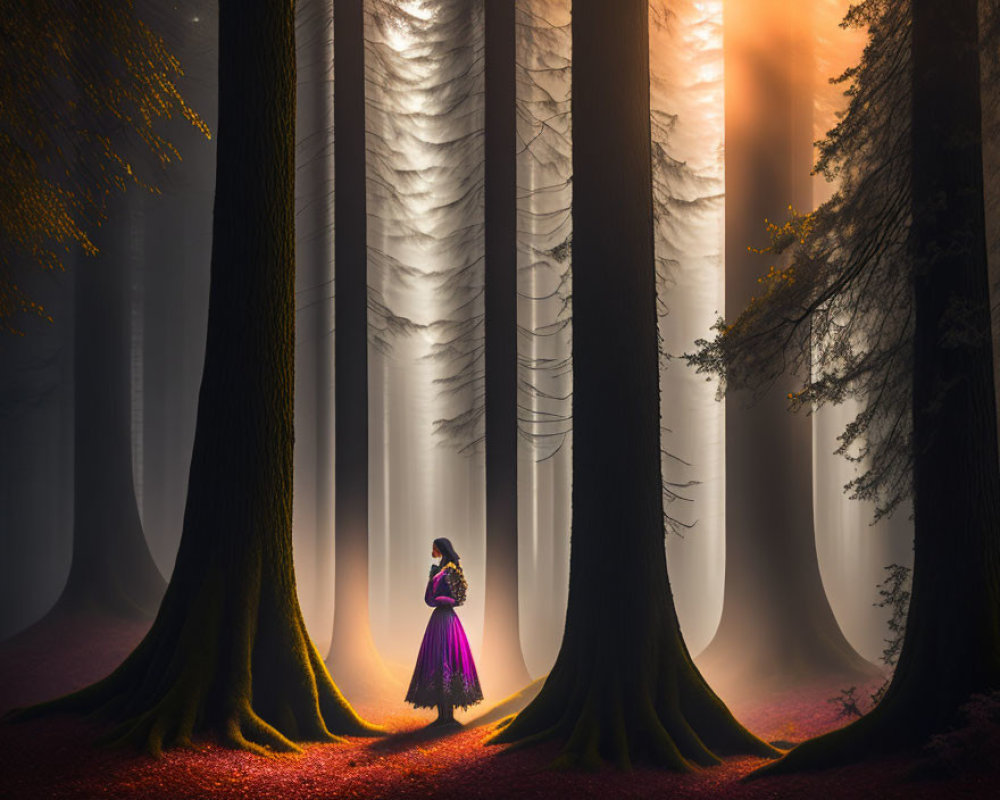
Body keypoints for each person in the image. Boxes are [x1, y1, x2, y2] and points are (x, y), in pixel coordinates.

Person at [405, 537, 483, 725]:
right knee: (437, 661)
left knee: (450, 659)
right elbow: (428, 598)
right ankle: (442, 716)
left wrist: (444, 600)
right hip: (439, 620)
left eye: (434, 547)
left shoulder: (452, 571)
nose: (432, 550)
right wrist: (434, 593)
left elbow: (459, 599)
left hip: (448, 621)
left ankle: (449, 716)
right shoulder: (437, 571)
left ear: (441, 549)